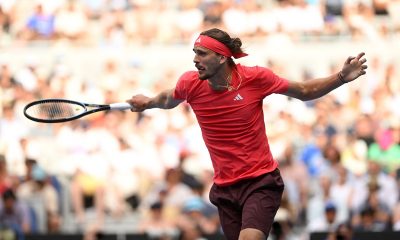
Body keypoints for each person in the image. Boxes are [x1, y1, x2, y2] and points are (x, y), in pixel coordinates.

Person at [126, 28, 368, 240]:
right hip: (225, 189)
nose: (195, 60)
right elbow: (168, 98)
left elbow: (304, 90)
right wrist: (147, 102)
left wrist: (340, 78)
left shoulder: (256, 78)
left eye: (202, 54)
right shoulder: (190, 84)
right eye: (194, 53)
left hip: (260, 182)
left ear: (221, 57)